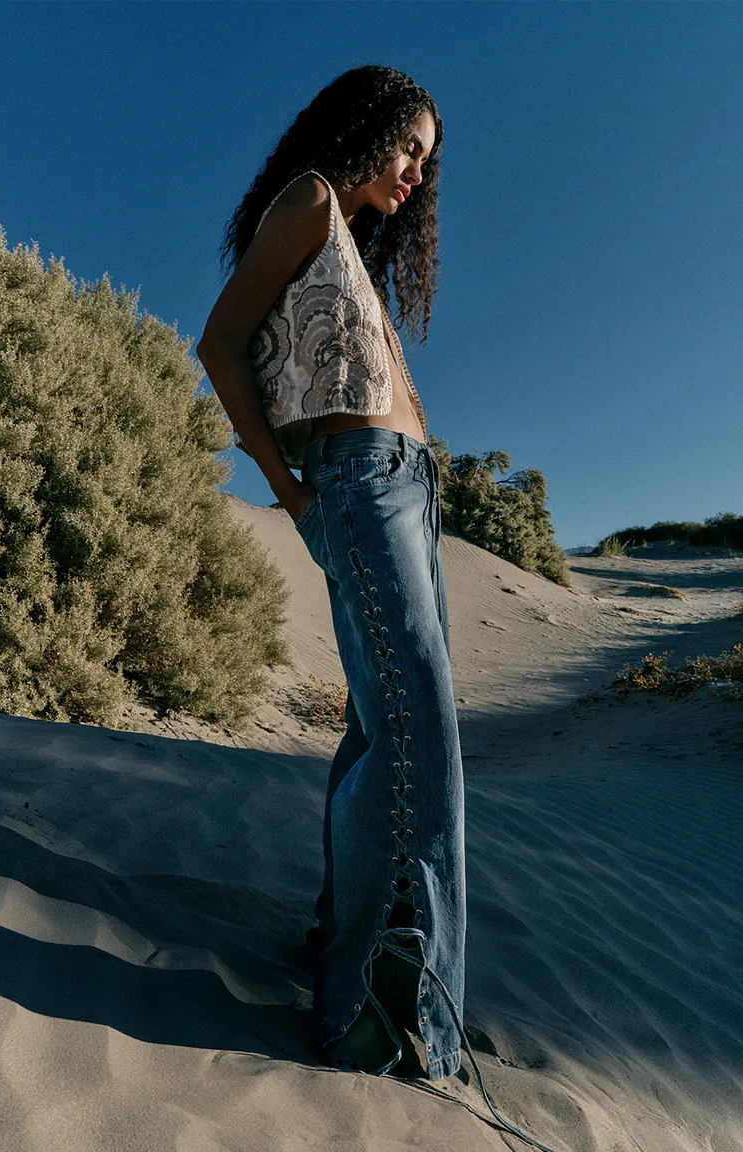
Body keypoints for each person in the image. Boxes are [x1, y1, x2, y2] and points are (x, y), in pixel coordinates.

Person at [197, 64, 557, 1152]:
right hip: (355, 481)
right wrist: (288, 486)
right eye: (406, 145)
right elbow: (220, 343)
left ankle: (353, 961)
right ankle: (381, 1015)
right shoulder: (307, 200)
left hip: (402, 484)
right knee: (416, 726)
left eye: (427, 160)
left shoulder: (352, 243)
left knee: (386, 722)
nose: (414, 171)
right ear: (360, 128)